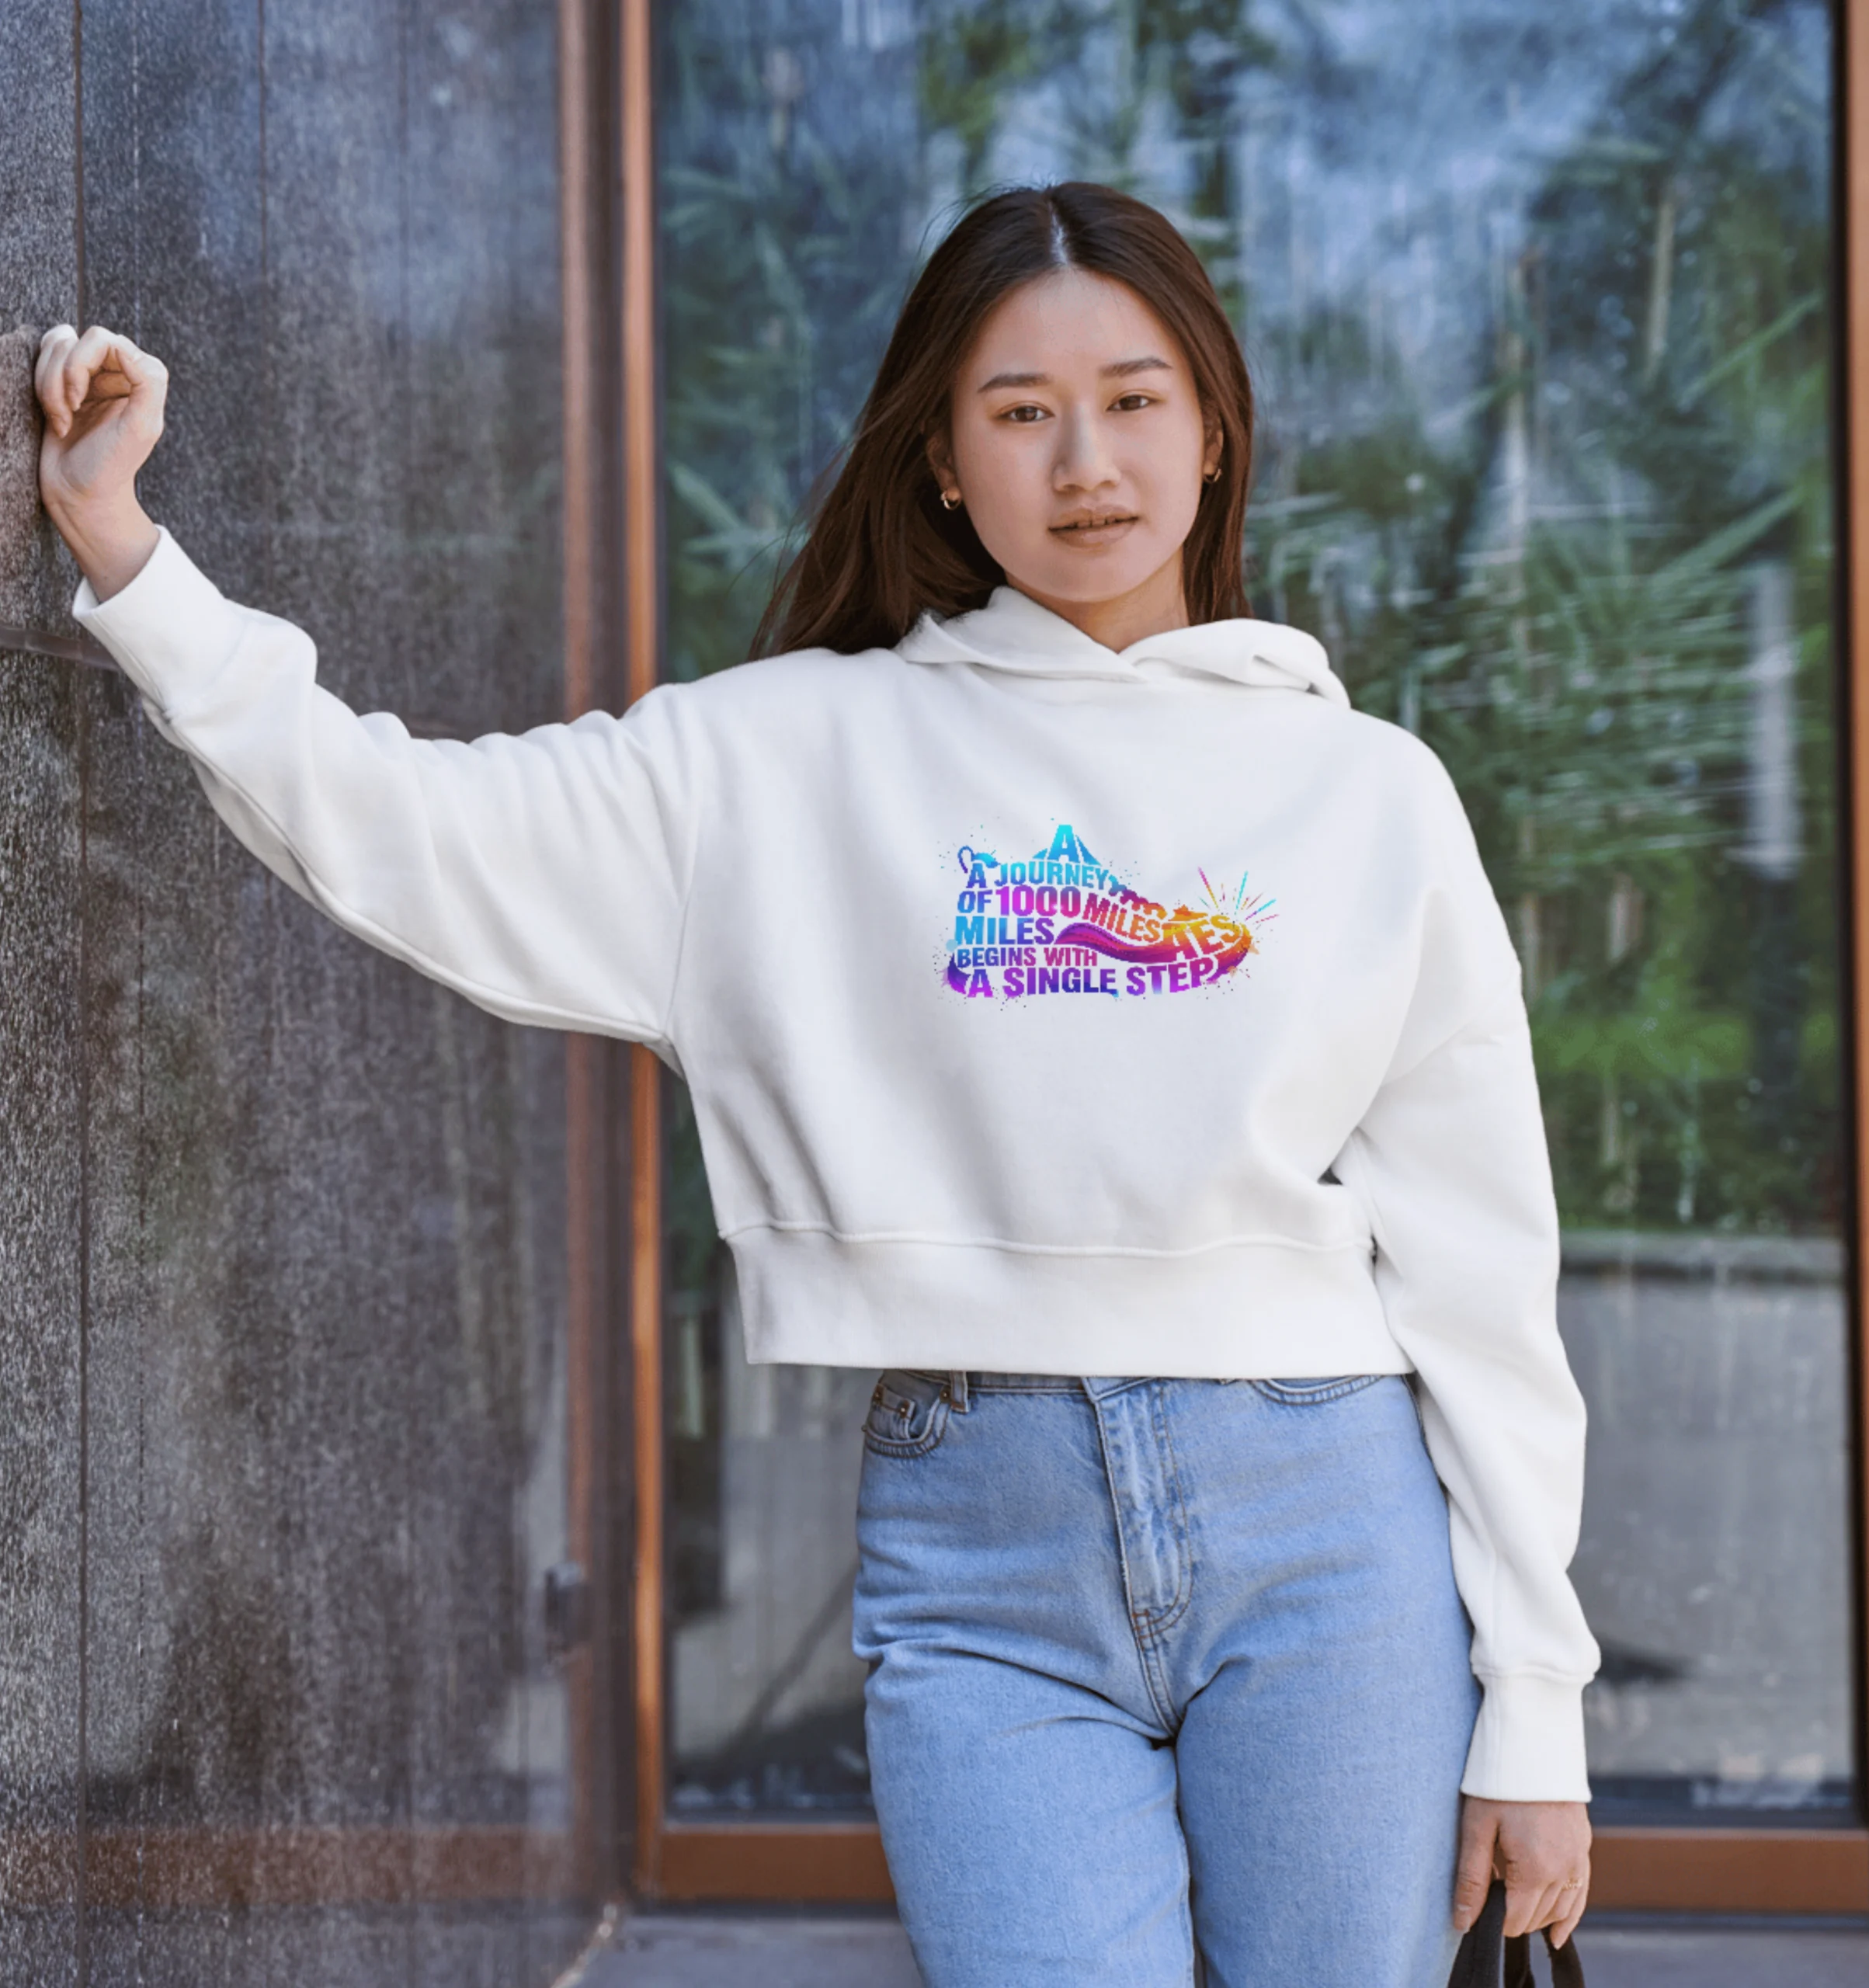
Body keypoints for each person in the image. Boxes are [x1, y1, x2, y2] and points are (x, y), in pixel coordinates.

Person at [36, 181, 1596, 1988]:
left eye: (1132, 398)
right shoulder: (779, 758)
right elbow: (403, 822)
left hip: (1326, 1517)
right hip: (978, 1534)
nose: (1083, 461)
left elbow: (1482, 1267)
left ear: (1212, 429)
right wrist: (126, 551)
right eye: (1019, 409)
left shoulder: (1366, 791)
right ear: (939, 458)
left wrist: (1533, 1703)